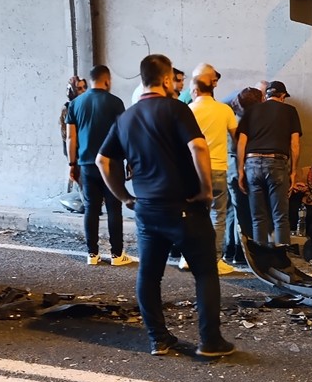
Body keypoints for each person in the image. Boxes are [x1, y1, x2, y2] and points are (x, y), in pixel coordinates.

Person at [97, 54, 233, 358]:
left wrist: (124, 197)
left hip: (147, 208)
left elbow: (102, 160)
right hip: (184, 206)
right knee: (206, 273)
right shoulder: (176, 109)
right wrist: (206, 190)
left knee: (149, 274)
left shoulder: (126, 118)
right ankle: (210, 341)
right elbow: (198, 146)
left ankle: (158, 339)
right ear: (166, 78)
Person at [66, 66, 135, 267]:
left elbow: (71, 136)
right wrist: (130, 160)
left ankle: (92, 254)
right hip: (112, 164)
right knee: (114, 209)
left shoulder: (76, 103)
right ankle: (116, 255)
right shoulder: (115, 103)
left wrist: (72, 163)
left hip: (86, 164)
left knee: (91, 209)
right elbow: (124, 134)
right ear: (107, 80)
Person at [237, 80, 301, 250]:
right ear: (282, 96)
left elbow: (241, 142)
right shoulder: (290, 111)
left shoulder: (251, 111)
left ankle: (260, 256)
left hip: (251, 163)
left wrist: (240, 171)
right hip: (277, 163)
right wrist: (294, 172)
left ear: (266, 95)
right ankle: (282, 258)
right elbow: (294, 144)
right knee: (280, 216)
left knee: (258, 216)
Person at [187, 63, 238, 275]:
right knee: (218, 215)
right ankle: (214, 260)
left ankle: (187, 258)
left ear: (195, 90)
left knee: (191, 215)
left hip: (191, 170)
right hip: (217, 167)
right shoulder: (225, 110)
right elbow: (236, 138)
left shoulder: (189, 110)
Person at [223, 87, 264, 267]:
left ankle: (229, 249)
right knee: (242, 210)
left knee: (232, 208)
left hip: (228, 164)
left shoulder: (232, 118)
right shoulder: (248, 123)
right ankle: (241, 250)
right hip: (241, 165)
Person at [59, 77, 89, 214]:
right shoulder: (69, 108)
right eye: (79, 88)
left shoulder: (88, 105)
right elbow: (69, 137)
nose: (82, 91)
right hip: (77, 155)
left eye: (84, 88)